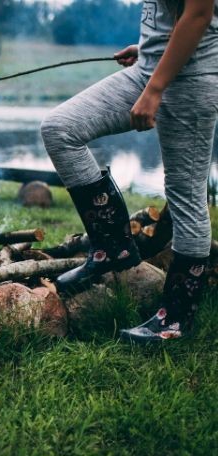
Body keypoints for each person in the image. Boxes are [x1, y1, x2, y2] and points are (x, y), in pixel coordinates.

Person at [41, 0, 218, 343]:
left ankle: (175, 320)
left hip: (190, 81)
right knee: (60, 128)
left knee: (185, 193)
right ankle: (113, 247)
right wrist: (151, 49)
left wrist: (155, 89)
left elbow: (200, 13)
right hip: (150, 69)